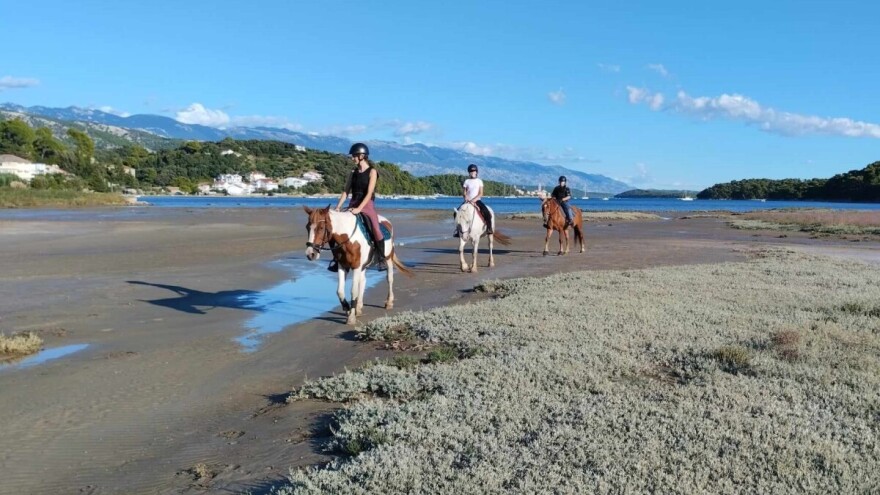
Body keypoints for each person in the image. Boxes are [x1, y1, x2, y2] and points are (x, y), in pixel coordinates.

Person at [330, 142, 387, 271]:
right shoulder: (353, 172)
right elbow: (346, 191)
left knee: (376, 228)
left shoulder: (372, 172)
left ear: (362, 156)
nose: (352, 158)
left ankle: (381, 259)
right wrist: (338, 207)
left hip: (367, 205)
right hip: (353, 203)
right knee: (335, 227)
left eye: (354, 156)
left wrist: (359, 209)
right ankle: (336, 259)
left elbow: (369, 193)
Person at [456, 163, 493, 236]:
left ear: (476, 172)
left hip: (477, 200)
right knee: (456, 213)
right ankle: (457, 230)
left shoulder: (479, 181)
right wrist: (465, 197)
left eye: (474, 171)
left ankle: (489, 228)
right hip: (467, 201)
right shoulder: (466, 181)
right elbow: (464, 192)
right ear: (469, 173)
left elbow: (481, 193)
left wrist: (473, 200)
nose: (473, 173)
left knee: (487, 212)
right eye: (471, 171)